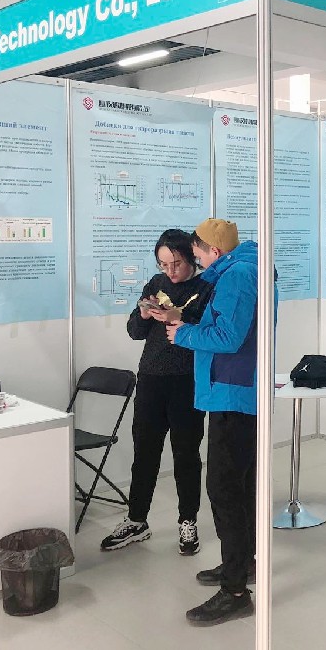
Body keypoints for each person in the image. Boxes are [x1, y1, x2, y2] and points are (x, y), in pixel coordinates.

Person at [166, 218, 277, 626]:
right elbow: (229, 328)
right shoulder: (245, 270)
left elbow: (229, 338)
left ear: (214, 250)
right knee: (240, 486)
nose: (196, 260)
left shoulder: (239, 275)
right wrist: (188, 323)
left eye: (197, 254)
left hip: (233, 393)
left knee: (224, 489)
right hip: (237, 390)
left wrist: (183, 335)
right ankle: (242, 565)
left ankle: (234, 593)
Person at [100, 229, 212, 555]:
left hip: (187, 380)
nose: (170, 271)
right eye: (164, 264)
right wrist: (144, 313)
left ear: (190, 257)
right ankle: (137, 520)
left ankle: (188, 522)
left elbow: (211, 331)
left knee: (186, 455)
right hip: (151, 378)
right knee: (145, 452)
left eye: (176, 263)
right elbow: (135, 332)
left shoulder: (207, 286)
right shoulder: (156, 283)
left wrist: (181, 317)